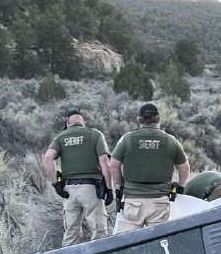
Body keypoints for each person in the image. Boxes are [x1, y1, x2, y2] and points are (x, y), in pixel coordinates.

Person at [109, 103, 190, 233]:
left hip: (133, 200)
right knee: (159, 240)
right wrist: (180, 188)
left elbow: (113, 165)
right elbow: (184, 167)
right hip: (159, 201)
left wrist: (119, 187)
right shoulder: (170, 140)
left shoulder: (127, 139)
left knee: (127, 240)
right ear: (158, 118)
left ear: (139, 119)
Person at [43, 110, 112, 246]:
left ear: (67, 122)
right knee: (99, 233)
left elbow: (47, 158)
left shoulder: (60, 137)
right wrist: (109, 189)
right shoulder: (95, 134)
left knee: (71, 234)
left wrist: (57, 183)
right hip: (91, 189)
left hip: (69, 191)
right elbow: (104, 161)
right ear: (82, 121)